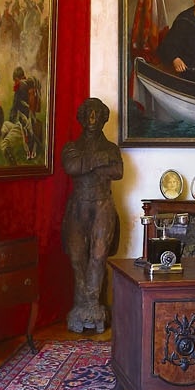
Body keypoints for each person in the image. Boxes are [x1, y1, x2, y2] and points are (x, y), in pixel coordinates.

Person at [61, 97, 122, 334]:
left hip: (102, 205)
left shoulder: (111, 148)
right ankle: (81, 305)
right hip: (78, 206)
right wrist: (99, 161)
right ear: (82, 118)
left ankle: (93, 306)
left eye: (97, 114)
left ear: (104, 118)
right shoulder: (72, 147)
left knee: (98, 256)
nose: (93, 119)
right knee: (77, 258)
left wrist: (86, 164)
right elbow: (71, 167)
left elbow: (117, 171)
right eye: (89, 114)